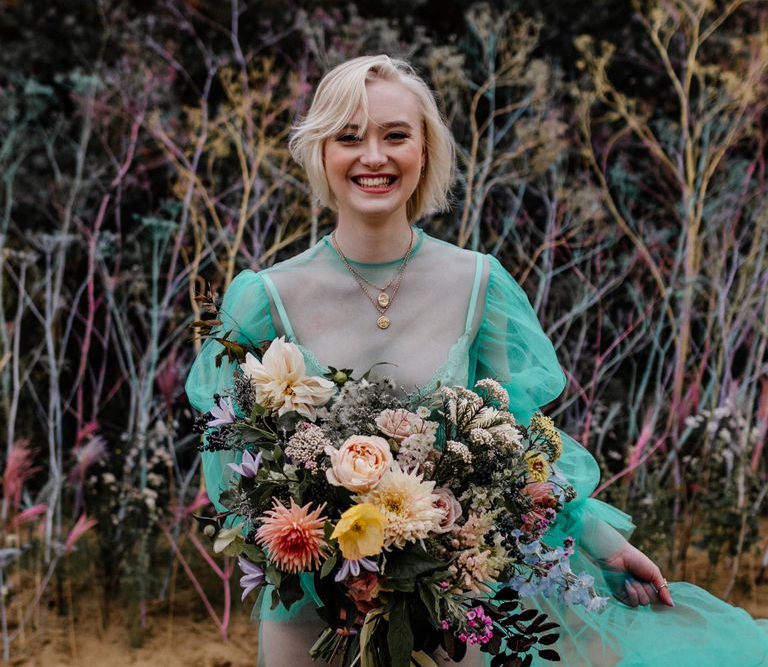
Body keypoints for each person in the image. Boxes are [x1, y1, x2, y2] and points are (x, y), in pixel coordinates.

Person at [186, 55, 768, 666]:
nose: (374, 157)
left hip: (452, 602)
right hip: (316, 603)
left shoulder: (478, 284)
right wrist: (322, 542)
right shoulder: (264, 298)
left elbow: (521, 442)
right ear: (321, 152)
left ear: (425, 149)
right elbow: (234, 462)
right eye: (349, 137)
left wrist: (601, 541)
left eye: (395, 135)